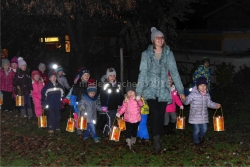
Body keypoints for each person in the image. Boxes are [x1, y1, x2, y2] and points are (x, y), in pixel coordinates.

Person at [136, 27, 185, 153]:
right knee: (156, 113)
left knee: (161, 115)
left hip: (164, 90)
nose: (160, 39)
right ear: (153, 39)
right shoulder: (146, 54)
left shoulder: (168, 54)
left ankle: (157, 137)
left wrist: (180, 91)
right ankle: (156, 141)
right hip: (150, 89)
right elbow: (142, 73)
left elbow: (174, 72)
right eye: (157, 37)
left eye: (161, 37)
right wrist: (138, 92)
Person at [182, 77, 221, 145]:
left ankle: (200, 137)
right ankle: (196, 141)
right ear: (197, 86)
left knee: (204, 129)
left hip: (204, 117)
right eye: (201, 85)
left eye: (204, 85)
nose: (203, 87)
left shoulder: (207, 95)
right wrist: (184, 99)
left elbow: (209, 103)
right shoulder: (193, 94)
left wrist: (215, 105)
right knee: (196, 130)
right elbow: (187, 102)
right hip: (195, 116)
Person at [116, 85, 143, 149]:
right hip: (128, 119)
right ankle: (128, 142)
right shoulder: (126, 100)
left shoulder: (137, 99)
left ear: (135, 92)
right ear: (127, 93)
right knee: (128, 130)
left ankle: (133, 140)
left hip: (136, 119)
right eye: (129, 92)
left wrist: (139, 100)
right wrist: (119, 113)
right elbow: (123, 108)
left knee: (134, 131)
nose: (130, 93)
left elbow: (141, 104)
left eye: (132, 91)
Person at [100, 68, 123, 136]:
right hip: (108, 107)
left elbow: (120, 96)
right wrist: (103, 105)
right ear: (107, 77)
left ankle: (113, 132)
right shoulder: (105, 85)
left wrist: (120, 104)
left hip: (115, 106)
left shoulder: (118, 85)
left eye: (114, 75)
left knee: (114, 119)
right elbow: (102, 96)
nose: (112, 77)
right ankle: (107, 132)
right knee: (110, 119)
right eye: (110, 76)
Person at [41, 70, 64, 136]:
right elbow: (43, 96)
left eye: (55, 77)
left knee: (58, 116)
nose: (54, 78)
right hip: (50, 105)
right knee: (51, 116)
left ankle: (57, 127)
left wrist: (63, 101)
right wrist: (44, 104)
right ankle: (50, 128)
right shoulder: (47, 87)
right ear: (49, 78)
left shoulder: (59, 86)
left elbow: (62, 95)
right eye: (52, 77)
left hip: (58, 105)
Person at [70, 67, 90, 135]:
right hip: (78, 103)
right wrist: (72, 104)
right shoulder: (77, 85)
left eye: (88, 75)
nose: (86, 76)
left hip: (87, 104)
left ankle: (84, 127)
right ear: (81, 76)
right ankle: (79, 128)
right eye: (85, 75)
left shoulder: (89, 85)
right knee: (79, 116)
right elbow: (73, 95)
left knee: (85, 116)